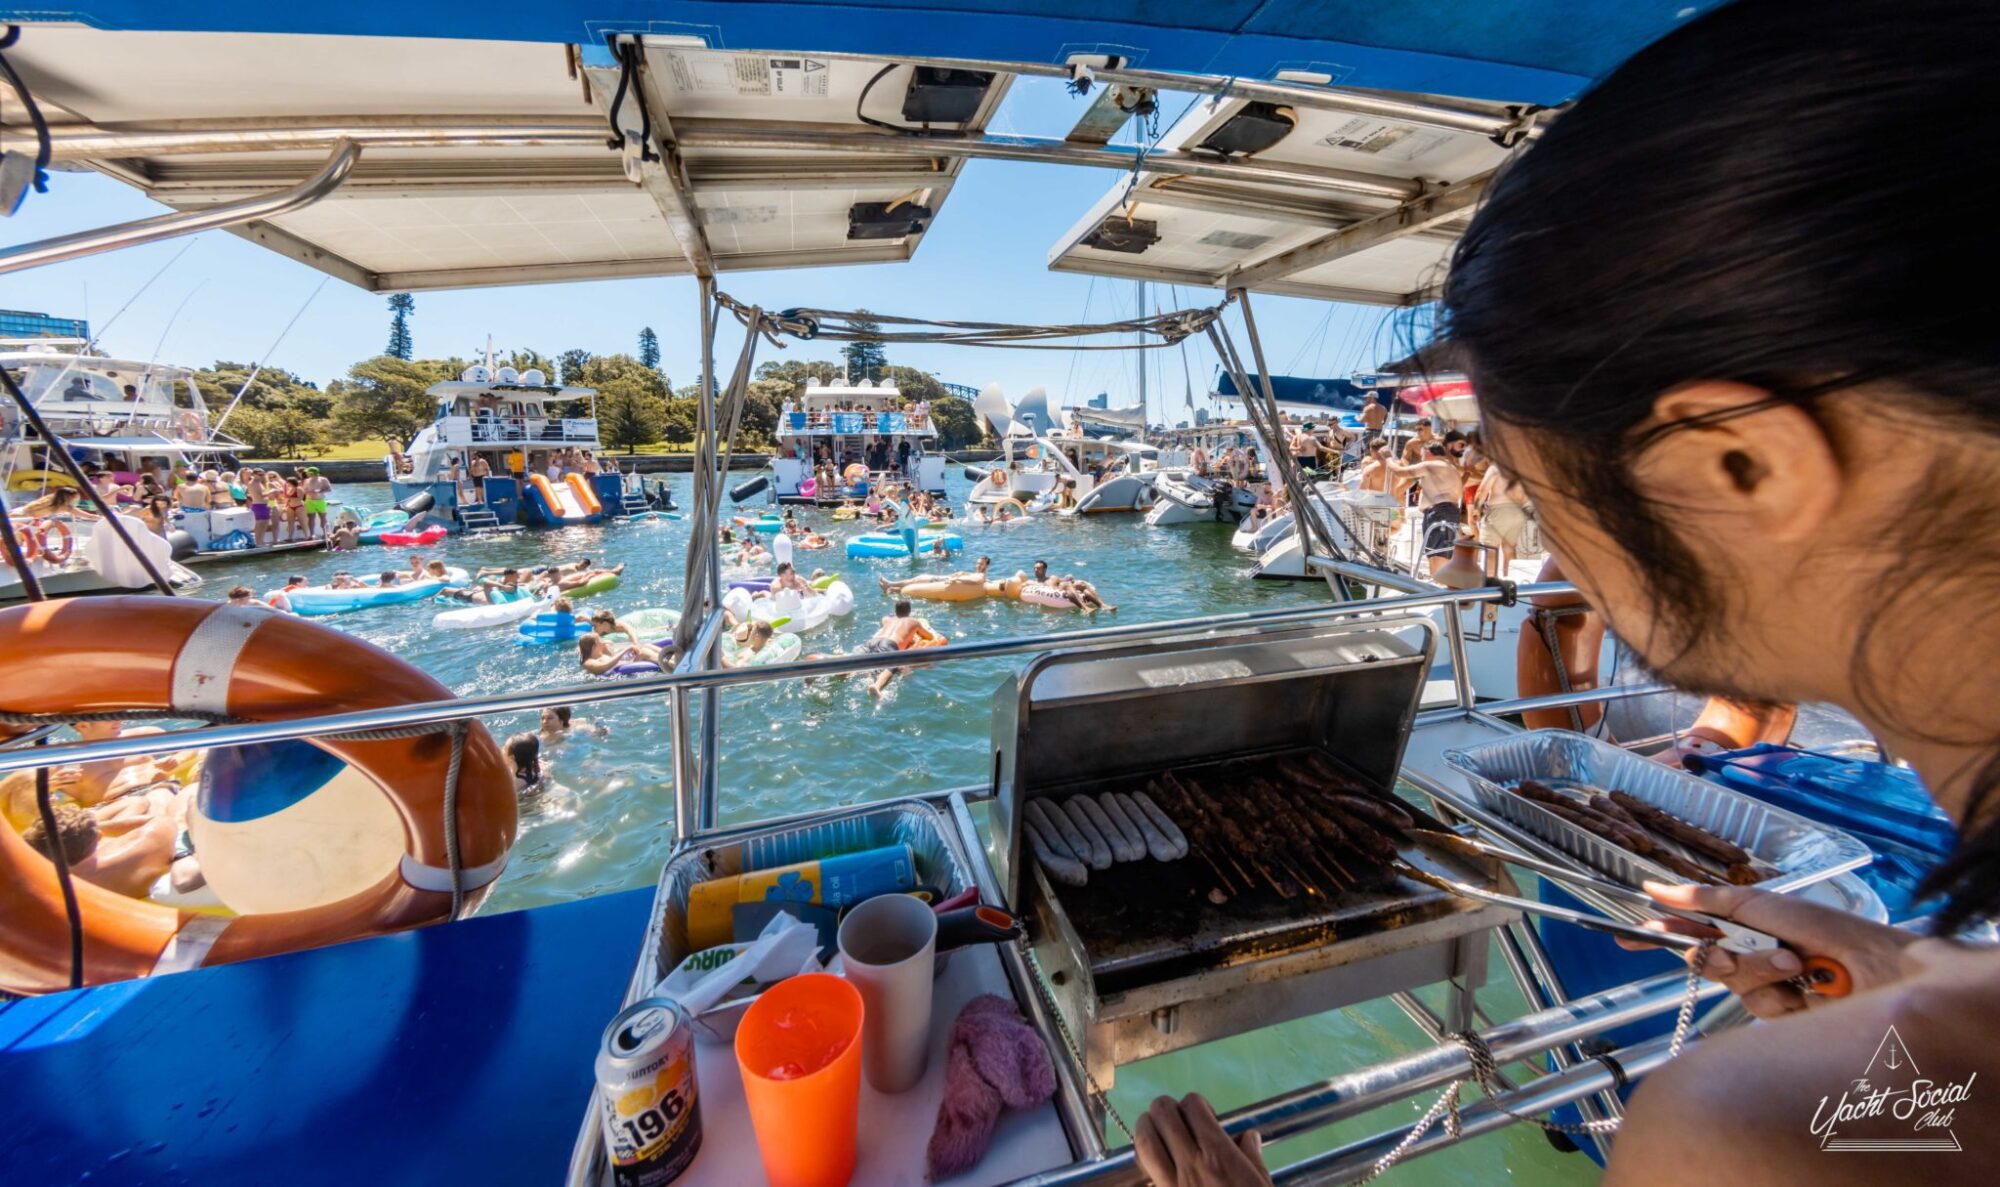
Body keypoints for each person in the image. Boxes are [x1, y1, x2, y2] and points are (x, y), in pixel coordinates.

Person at [1148, 7, 2000, 1187]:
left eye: (1544, 498)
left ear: (1735, 467)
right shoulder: (1926, 1026)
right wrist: (1912, 1006)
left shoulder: (1741, 1131)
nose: (1545, 553)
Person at [1384, 442, 1465, 574]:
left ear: (1428, 452)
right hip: (1448, 512)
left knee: (1437, 553)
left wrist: (1387, 457)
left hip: (1440, 512)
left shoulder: (1431, 465)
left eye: (1422, 454)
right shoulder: (1450, 467)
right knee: (1440, 552)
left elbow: (1400, 472)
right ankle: (1439, 583)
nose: (1420, 457)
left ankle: (1439, 587)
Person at [850, 600, 943, 695]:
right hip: (889, 644)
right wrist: (913, 636)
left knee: (854, 661)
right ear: (909, 611)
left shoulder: (887, 619)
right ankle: (877, 686)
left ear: (895, 611)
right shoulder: (914, 622)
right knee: (893, 666)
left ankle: (843, 671)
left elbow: (885, 621)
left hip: (872, 642)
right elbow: (929, 637)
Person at [578, 631, 663, 676]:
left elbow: (612, 655)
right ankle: (670, 664)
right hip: (623, 669)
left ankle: (672, 657)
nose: (603, 642)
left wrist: (629, 653)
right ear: (594, 647)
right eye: (600, 641)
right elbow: (604, 667)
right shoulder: (588, 662)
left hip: (626, 663)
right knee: (644, 653)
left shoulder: (600, 653)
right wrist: (626, 649)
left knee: (647, 646)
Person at [17, 486, 98, 521]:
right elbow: (89, 516)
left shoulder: (50, 497)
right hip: (25, 518)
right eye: (76, 498)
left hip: (20, 512)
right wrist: (102, 518)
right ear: (70, 498)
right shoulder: (66, 507)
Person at [540, 705, 608, 744]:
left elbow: (600, 735)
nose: (544, 721)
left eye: (549, 718)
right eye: (542, 718)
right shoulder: (540, 736)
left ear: (561, 721)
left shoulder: (577, 730)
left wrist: (600, 729)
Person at [243, 469, 274, 547]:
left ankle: (261, 541)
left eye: (263, 475)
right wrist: (272, 491)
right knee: (260, 524)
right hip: (259, 505)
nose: (261, 476)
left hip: (263, 505)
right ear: (254, 474)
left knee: (265, 523)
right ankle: (258, 542)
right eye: (260, 475)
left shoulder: (258, 483)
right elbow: (261, 495)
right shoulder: (253, 483)